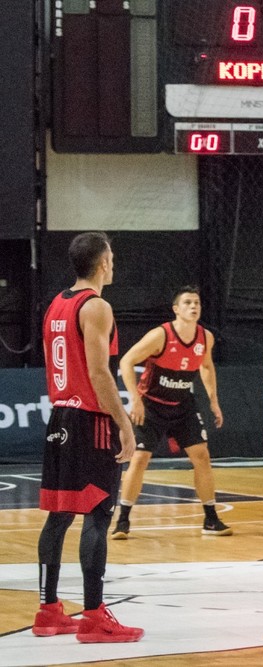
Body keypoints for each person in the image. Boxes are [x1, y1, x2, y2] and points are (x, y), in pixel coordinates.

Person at [33, 232, 144, 643]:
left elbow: (51, 362)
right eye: (111, 258)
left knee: (59, 515)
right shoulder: (96, 305)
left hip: (60, 415)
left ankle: (48, 611)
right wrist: (124, 424)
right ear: (101, 264)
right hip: (90, 420)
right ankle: (95, 617)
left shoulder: (56, 305)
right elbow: (99, 373)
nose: (113, 265)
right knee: (97, 515)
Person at [111, 286, 229, 539]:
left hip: (182, 404)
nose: (194, 306)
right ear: (176, 309)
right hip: (151, 404)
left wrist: (213, 400)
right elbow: (126, 361)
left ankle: (210, 519)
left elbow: (206, 366)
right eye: (187, 302)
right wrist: (135, 400)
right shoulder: (160, 335)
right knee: (140, 458)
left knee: (202, 456)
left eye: (197, 302)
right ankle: (122, 520)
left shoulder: (205, 337)